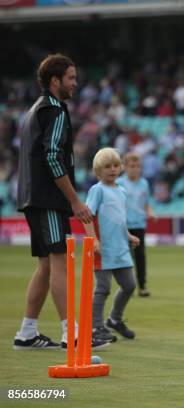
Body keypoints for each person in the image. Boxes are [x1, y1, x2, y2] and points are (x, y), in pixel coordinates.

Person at [14, 54, 108, 351]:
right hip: (48, 199)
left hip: (32, 197)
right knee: (59, 262)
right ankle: (73, 333)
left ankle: (27, 333)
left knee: (45, 265)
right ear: (55, 81)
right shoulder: (54, 110)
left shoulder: (34, 110)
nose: (75, 83)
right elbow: (53, 157)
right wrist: (75, 201)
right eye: (71, 78)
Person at [83, 148, 140, 342]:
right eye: (107, 167)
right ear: (98, 171)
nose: (112, 169)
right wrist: (93, 240)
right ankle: (95, 327)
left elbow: (119, 220)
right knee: (103, 288)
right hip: (103, 249)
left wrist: (128, 235)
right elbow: (87, 216)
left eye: (115, 165)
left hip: (120, 248)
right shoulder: (97, 190)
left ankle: (114, 320)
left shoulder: (121, 191)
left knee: (130, 285)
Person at [117, 152, 155, 297]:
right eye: (132, 166)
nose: (135, 169)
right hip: (124, 226)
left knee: (140, 256)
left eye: (138, 166)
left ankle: (142, 286)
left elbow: (147, 204)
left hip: (139, 225)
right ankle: (127, 286)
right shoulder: (119, 183)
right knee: (125, 257)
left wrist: (151, 213)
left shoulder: (144, 183)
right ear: (125, 167)